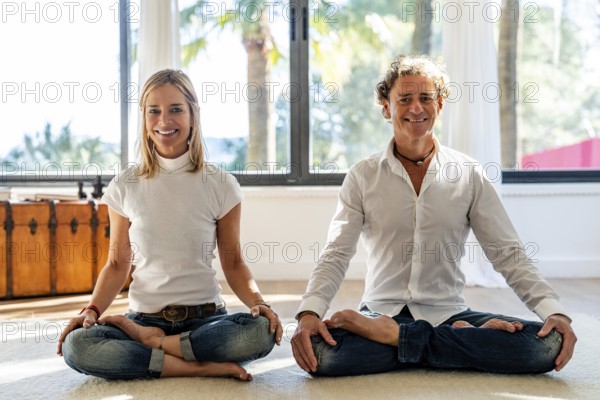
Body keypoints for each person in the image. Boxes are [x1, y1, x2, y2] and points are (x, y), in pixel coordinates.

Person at [291, 55, 577, 376]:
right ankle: (455, 343)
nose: (417, 108)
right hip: (381, 311)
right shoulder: (363, 175)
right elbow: (336, 253)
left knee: (547, 343)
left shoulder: (468, 174)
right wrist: (308, 314)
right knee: (321, 354)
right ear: (387, 107)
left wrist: (556, 313)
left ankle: (397, 340)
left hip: (449, 312)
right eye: (405, 99)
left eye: (426, 98)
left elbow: (507, 252)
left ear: (439, 105)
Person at [58, 69, 282, 381]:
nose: (165, 121)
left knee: (260, 333)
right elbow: (116, 264)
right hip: (142, 320)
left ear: (193, 115)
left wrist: (260, 304)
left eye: (176, 109)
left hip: (205, 320)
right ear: (144, 118)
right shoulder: (126, 184)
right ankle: (195, 365)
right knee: (77, 346)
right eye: (155, 111)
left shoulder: (220, 184)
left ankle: (158, 350)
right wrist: (91, 311)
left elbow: (233, 262)